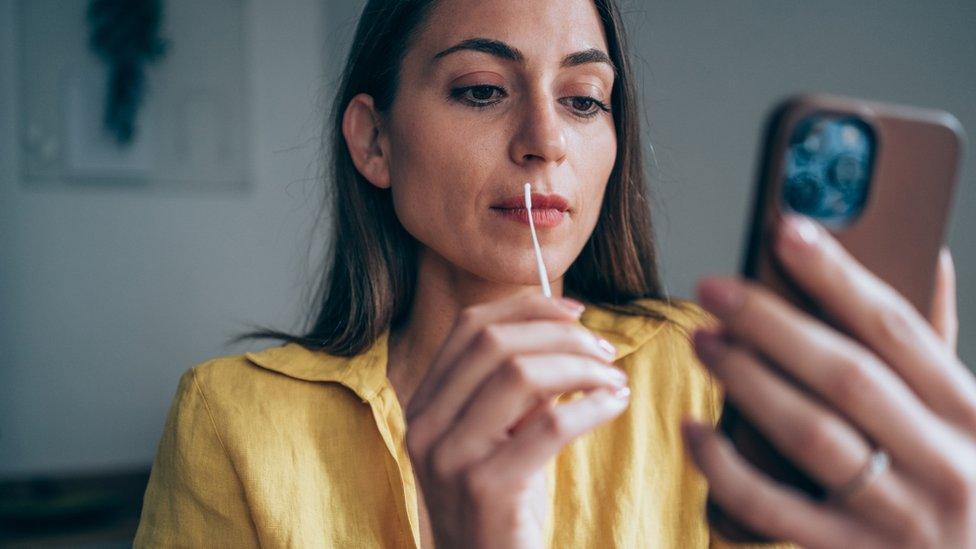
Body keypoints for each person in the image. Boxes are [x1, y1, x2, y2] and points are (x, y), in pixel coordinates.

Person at [133, 0, 976, 547]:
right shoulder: (234, 418)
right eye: (479, 89)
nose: (547, 139)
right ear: (374, 141)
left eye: (583, 99)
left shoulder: (715, 377)